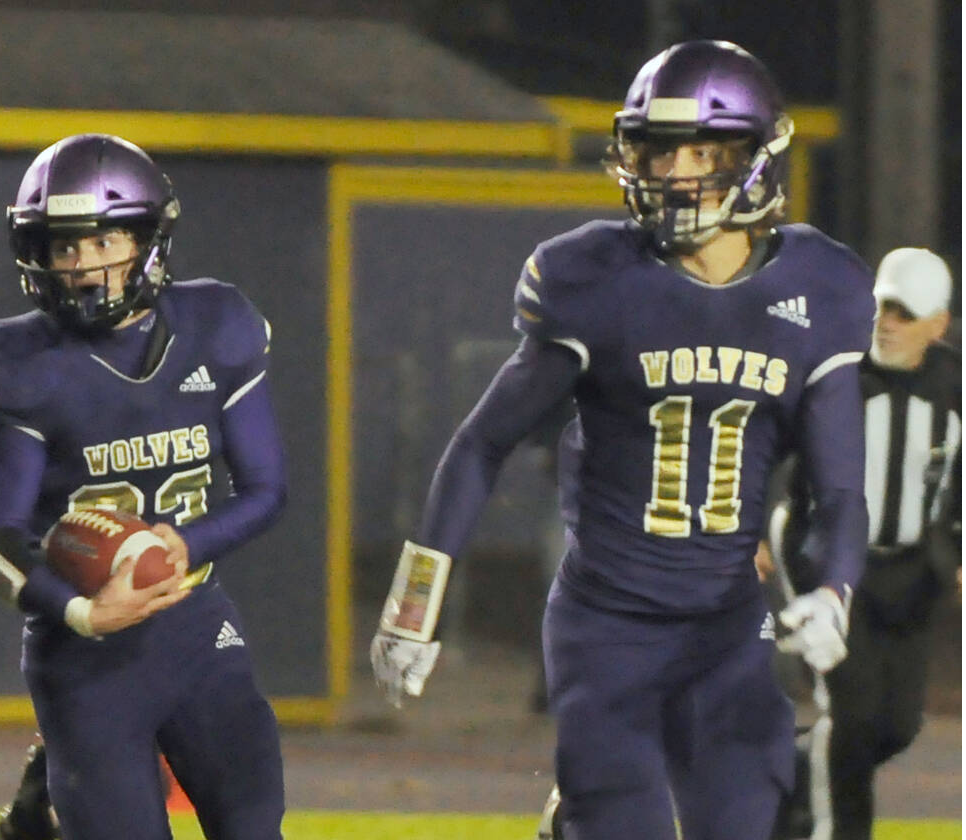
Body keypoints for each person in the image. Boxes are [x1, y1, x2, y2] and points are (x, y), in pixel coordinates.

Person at [367, 40, 875, 840]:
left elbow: (842, 486)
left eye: (703, 151)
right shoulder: (595, 279)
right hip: (608, 625)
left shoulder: (820, 287)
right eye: (660, 150)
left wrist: (834, 592)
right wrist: (414, 604)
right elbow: (481, 445)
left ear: (754, 155)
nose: (676, 173)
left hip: (727, 627)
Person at [0, 133, 288, 840]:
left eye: (103, 239)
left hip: (198, 628)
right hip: (84, 657)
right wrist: (82, 611)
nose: (82, 265)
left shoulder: (216, 327)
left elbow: (266, 490)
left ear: (146, 239)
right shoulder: (26, 362)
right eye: (63, 247)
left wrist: (184, 542)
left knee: (255, 826)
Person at [767, 247, 961, 840]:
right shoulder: (835, 372)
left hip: (911, 570)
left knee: (896, 725)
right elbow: (763, 450)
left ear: (939, 324)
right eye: (884, 308)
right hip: (826, 564)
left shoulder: (955, 386)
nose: (890, 323)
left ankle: (785, 774)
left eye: (907, 313)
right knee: (850, 715)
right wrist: (749, 529)